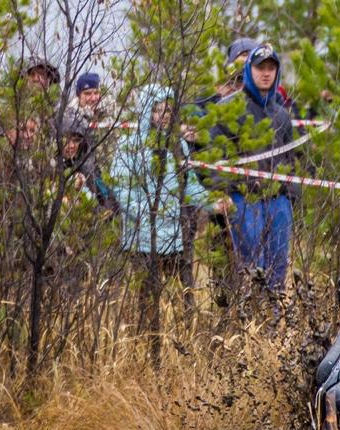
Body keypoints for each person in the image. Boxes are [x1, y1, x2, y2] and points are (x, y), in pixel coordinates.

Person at [110, 85, 213, 349]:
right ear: (147, 111)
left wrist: (212, 202)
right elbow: (121, 190)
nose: (164, 114)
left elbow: (188, 185)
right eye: (158, 109)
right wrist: (148, 216)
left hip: (174, 241)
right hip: (142, 241)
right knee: (145, 300)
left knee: (178, 299)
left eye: (168, 109)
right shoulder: (129, 146)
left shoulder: (178, 145)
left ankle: (180, 345)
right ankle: (142, 346)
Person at [209, 43, 298, 294]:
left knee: (277, 269)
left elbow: (291, 159)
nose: (266, 73)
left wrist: (292, 196)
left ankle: (274, 324)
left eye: (271, 68)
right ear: (250, 70)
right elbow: (214, 155)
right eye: (260, 68)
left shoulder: (281, 115)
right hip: (244, 200)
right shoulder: (230, 108)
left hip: (278, 201)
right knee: (251, 270)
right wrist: (219, 192)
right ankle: (248, 323)